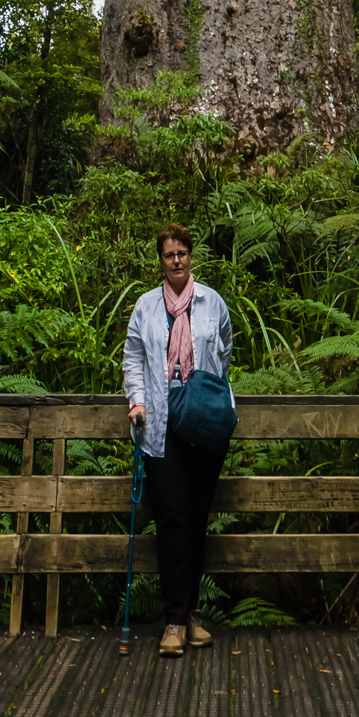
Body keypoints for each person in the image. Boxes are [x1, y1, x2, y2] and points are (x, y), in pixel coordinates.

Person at [122, 223, 233, 658]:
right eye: (169, 254)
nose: (176, 261)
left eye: (182, 253)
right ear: (161, 260)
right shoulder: (146, 306)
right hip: (161, 424)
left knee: (197, 518)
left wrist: (205, 393)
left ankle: (190, 616)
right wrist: (137, 401)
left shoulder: (212, 302)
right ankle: (173, 619)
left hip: (202, 423)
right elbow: (133, 356)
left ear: (191, 256)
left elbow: (224, 350)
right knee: (172, 518)